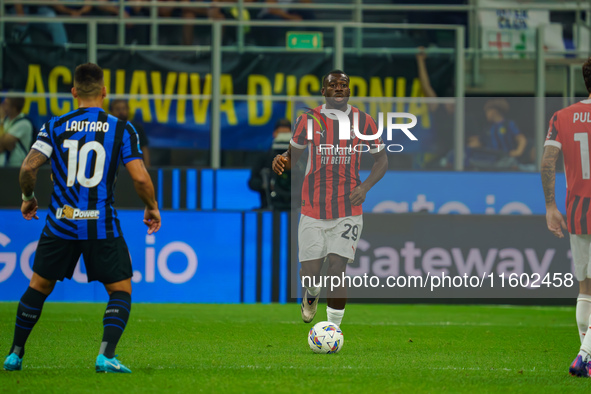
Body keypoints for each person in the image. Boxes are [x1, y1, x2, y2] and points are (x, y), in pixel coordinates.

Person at [3, 63, 161, 373]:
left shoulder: (54, 126)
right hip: (101, 224)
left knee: (37, 287)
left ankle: (15, 354)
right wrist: (151, 206)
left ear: (74, 92)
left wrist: (27, 199)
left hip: (61, 222)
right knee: (120, 290)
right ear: (104, 92)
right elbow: (140, 179)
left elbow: (27, 169)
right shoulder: (122, 129)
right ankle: (105, 355)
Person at [272, 70, 388, 327]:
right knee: (311, 274)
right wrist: (281, 161)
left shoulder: (364, 121)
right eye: (332, 85)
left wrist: (366, 187)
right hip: (313, 208)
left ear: (349, 91)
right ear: (323, 91)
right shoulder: (307, 120)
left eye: (343, 85)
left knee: (337, 268)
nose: (338, 88)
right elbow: (293, 159)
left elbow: (381, 160)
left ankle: (333, 329)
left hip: (348, 207)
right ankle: (311, 295)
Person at [542, 57, 591, 377]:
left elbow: (548, 163)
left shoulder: (562, 115)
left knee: (586, 288)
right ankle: (584, 355)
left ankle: (586, 358)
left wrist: (550, 206)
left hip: (578, 210)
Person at [249, 119, 292, 210]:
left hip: (296, 207)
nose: (283, 137)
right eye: (281, 133)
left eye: (286, 133)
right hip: (270, 205)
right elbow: (252, 182)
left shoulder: (301, 159)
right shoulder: (264, 158)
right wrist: (265, 184)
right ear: (274, 134)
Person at [109, 99, 151, 167]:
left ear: (128, 109)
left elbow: (144, 147)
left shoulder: (137, 127)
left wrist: (147, 165)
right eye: (117, 109)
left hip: (135, 165)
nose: (121, 111)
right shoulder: (108, 128)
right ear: (111, 111)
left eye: (123, 108)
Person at [0, 97, 35, 168]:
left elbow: (5, 142)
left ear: (14, 108)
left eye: (6, 104)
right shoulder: (6, 121)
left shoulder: (24, 123)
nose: (2, 106)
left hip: (17, 166)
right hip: (4, 165)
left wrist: (1, 119)